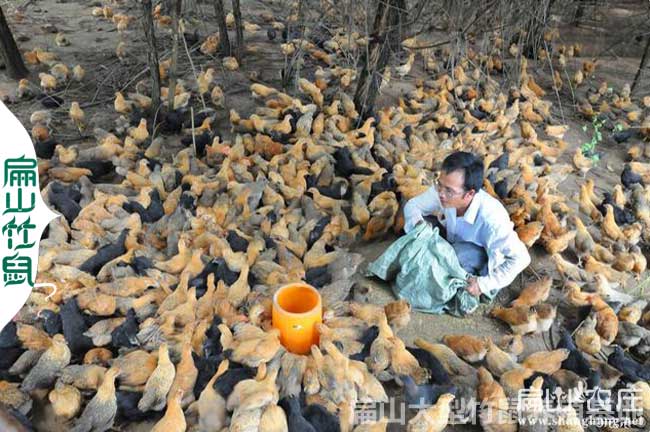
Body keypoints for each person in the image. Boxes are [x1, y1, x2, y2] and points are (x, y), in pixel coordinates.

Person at [403, 151, 531, 299]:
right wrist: (420, 228)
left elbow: (521, 259)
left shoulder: (492, 220)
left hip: (478, 255)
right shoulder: (444, 189)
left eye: (449, 191)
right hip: (453, 240)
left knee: (455, 255)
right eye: (440, 185)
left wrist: (484, 284)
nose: (441, 194)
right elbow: (413, 206)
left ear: (469, 194)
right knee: (422, 228)